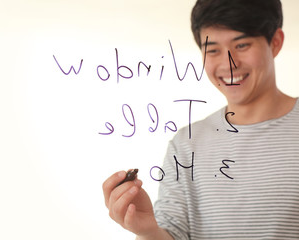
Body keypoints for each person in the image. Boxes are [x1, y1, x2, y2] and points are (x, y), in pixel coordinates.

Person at [102, 0, 299, 239]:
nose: (229, 63)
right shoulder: (186, 145)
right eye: (213, 50)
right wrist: (148, 230)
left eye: (242, 45)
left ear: (275, 42)